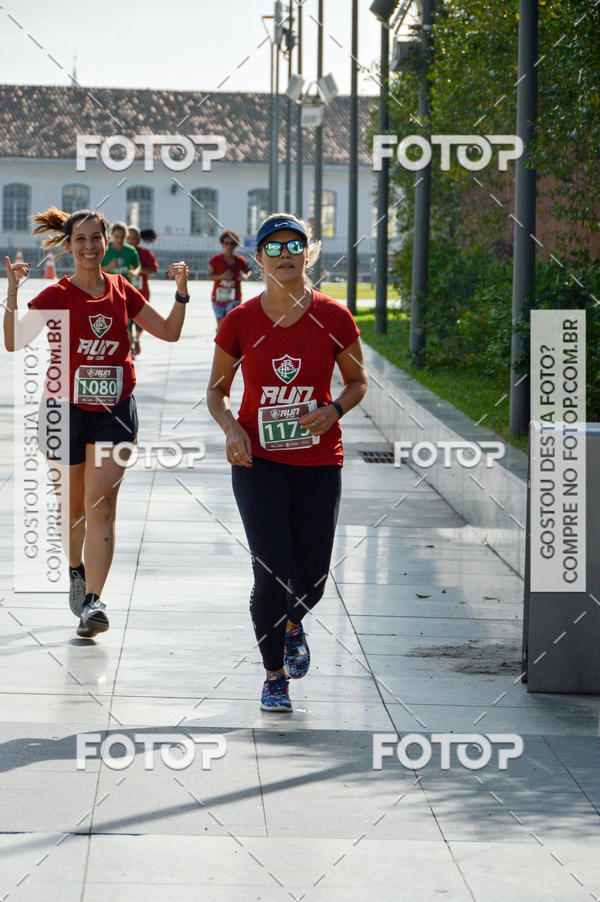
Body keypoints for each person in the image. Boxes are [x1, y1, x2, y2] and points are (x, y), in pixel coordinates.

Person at [207, 213, 368, 712]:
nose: (283, 255)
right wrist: (232, 428)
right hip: (259, 461)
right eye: (272, 248)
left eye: (293, 246)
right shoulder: (240, 321)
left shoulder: (335, 317)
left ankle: (295, 623)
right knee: (270, 570)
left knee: (313, 578)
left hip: (319, 459)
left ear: (308, 254)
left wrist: (333, 409)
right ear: (258, 259)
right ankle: (274, 674)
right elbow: (216, 392)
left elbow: (358, 381)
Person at [4, 206, 190, 639]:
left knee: (101, 506)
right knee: (72, 511)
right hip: (63, 411)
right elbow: (14, 341)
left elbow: (168, 331)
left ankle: (93, 601)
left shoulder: (122, 289)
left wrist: (181, 293)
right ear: (68, 246)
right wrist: (12, 293)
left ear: (108, 242)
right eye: (80, 239)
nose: (89, 246)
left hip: (115, 411)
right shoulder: (57, 295)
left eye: (96, 238)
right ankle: (76, 571)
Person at [102, 221, 141, 356]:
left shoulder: (130, 251)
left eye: (122, 237)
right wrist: (109, 267)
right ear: (111, 236)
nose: (119, 240)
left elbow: (137, 266)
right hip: (106, 292)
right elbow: (95, 269)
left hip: (125, 292)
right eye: (117, 237)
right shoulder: (106, 250)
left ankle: (127, 351)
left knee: (126, 324)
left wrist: (134, 273)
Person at [127, 226, 159, 357]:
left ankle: (136, 338)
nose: (132, 241)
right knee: (126, 322)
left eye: (134, 239)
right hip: (126, 294)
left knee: (140, 323)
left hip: (142, 293)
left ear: (139, 239)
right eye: (129, 238)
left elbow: (154, 270)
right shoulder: (123, 252)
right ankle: (130, 348)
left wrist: (139, 270)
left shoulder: (145, 253)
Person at [207, 230, 250, 327]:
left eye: (232, 243)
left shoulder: (239, 260)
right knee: (221, 326)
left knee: (231, 325)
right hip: (219, 298)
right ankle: (219, 340)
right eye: (226, 243)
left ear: (236, 245)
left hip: (234, 298)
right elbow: (209, 276)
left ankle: (230, 342)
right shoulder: (216, 259)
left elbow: (248, 270)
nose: (229, 246)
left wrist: (245, 276)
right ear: (222, 244)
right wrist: (222, 276)